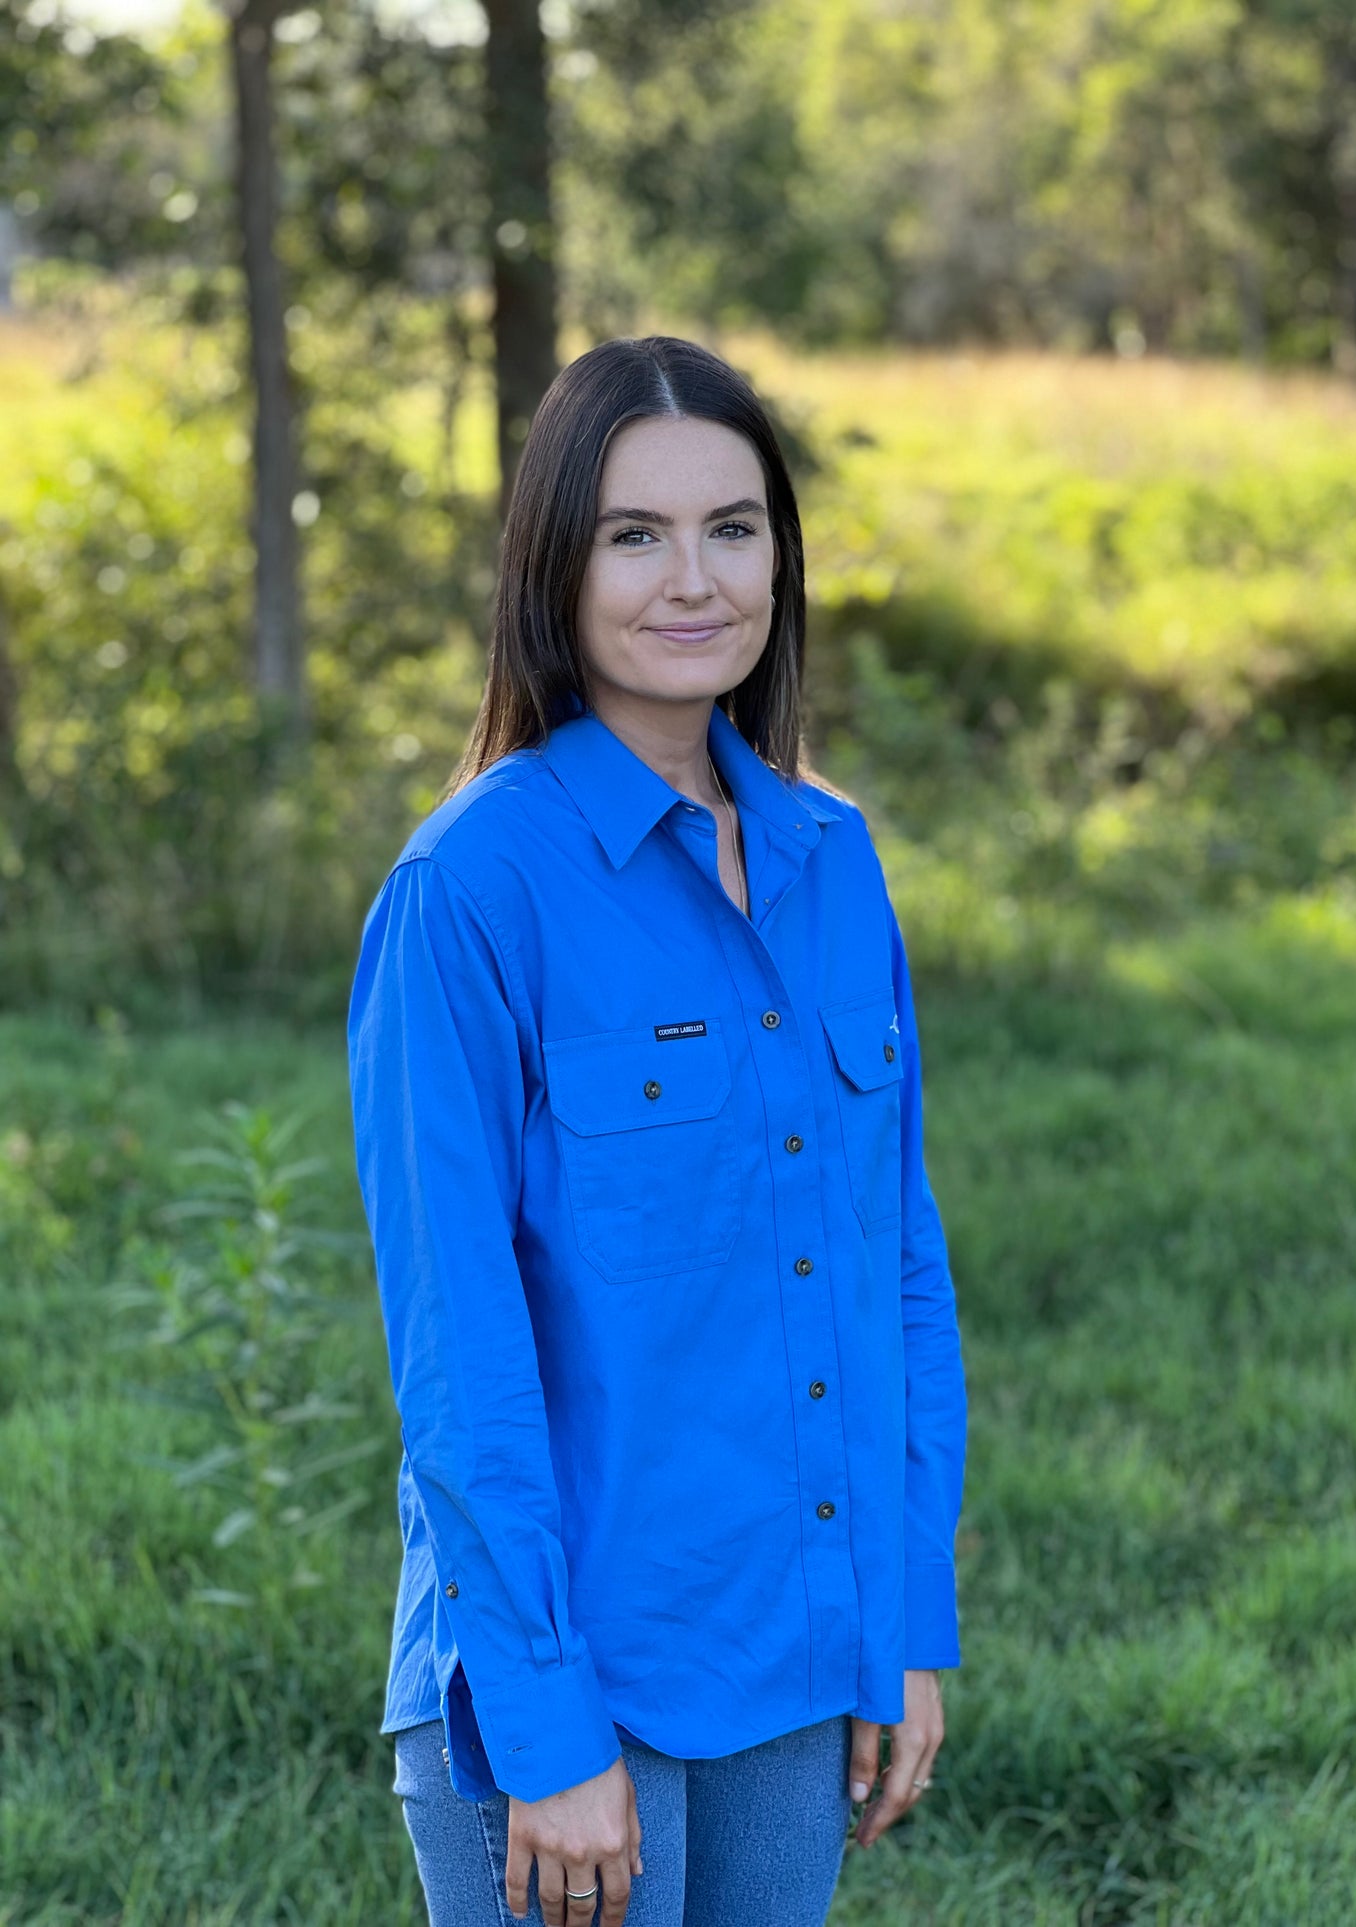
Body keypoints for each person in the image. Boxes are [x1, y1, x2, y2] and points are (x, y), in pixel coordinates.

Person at [346, 334, 968, 1927]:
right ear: (556, 565)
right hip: (565, 1680)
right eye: (635, 534)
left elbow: (893, 1260)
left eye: (733, 528)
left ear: (780, 557)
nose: (692, 580)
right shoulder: (469, 891)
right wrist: (549, 1734)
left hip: (789, 1651)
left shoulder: (835, 863)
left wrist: (899, 1615)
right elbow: (458, 1345)